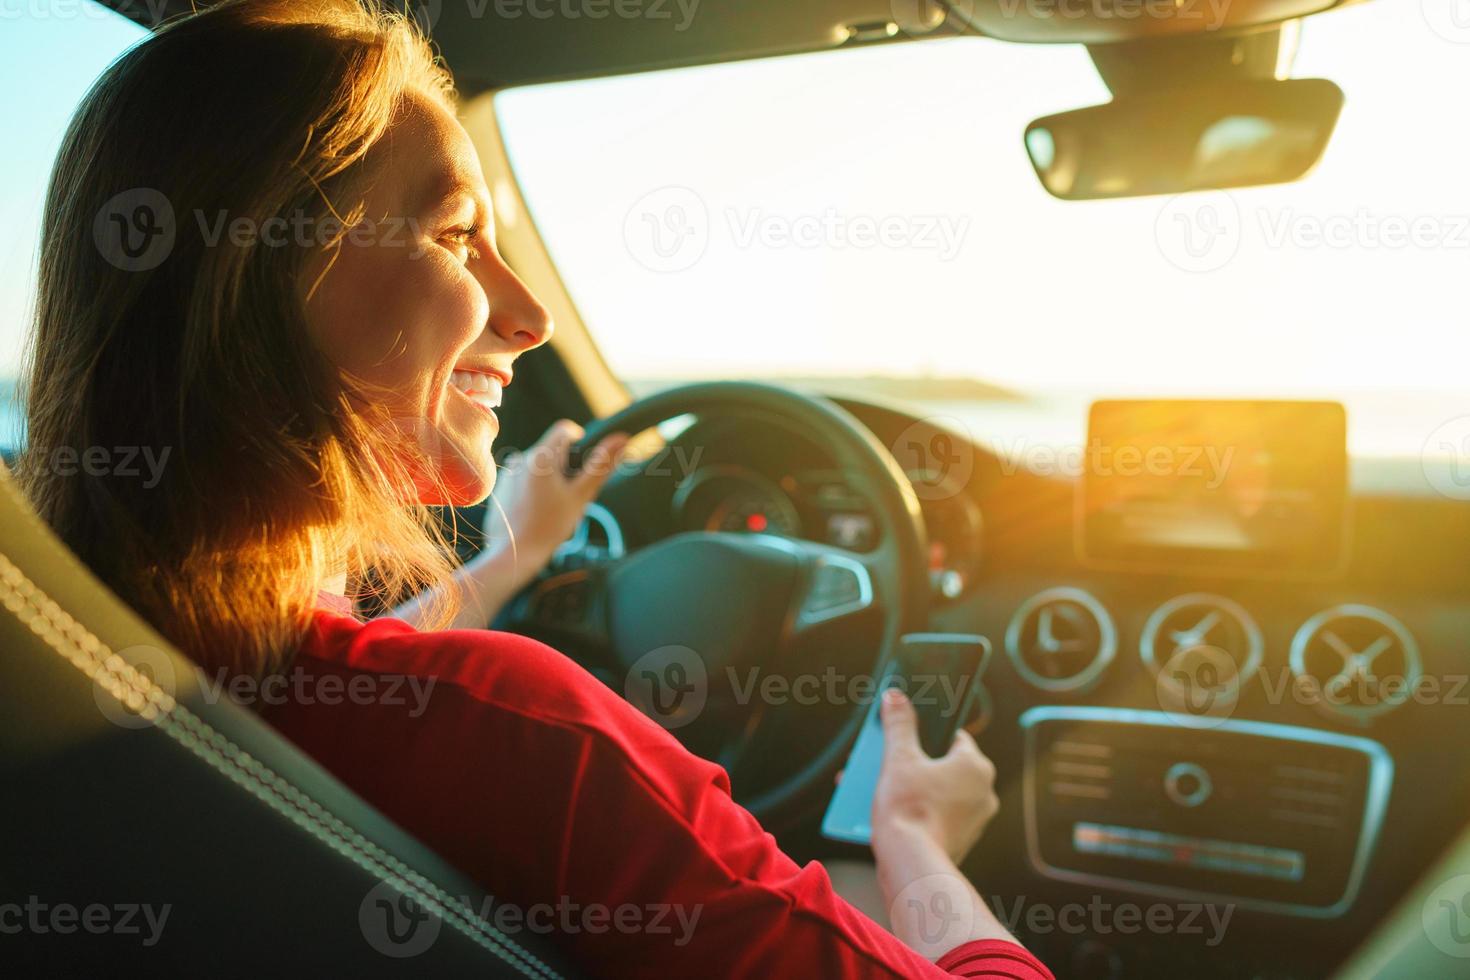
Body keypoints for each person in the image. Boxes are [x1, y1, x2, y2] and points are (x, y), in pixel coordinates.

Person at [20, 2, 1052, 976]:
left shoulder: (66, 657)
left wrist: (509, 557)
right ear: (262, 265)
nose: (529, 316)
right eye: (458, 236)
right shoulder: (535, 741)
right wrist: (918, 840)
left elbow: (329, 694)